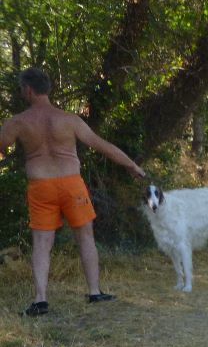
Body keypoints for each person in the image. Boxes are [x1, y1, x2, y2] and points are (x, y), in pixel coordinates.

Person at [0, 67, 146, 316]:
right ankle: (94, 292)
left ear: (28, 90)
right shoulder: (69, 120)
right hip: (71, 184)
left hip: (41, 186)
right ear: (46, 89)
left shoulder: (18, 122)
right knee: (85, 237)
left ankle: (40, 300)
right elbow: (103, 146)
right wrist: (131, 165)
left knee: (42, 243)